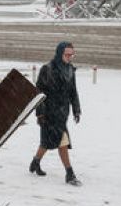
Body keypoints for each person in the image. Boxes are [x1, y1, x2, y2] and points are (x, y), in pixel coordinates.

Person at [29, 41, 82, 186]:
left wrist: (77, 109)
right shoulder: (47, 69)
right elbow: (38, 93)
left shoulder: (70, 69)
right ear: (59, 53)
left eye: (72, 54)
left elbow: (73, 92)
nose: (70, 57)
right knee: (62, 142)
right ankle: (69, 174)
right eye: (67, 54)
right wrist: (40, 114)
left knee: (47, 142)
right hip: (49, 112)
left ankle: (35, 162)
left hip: (62, 113)